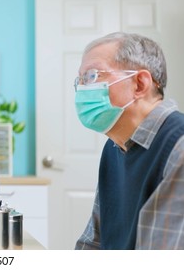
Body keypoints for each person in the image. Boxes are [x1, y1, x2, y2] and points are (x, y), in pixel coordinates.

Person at [74, 32, 184, 249]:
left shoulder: (178, 146)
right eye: (81, 80)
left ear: (140, 84)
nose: (82, 89)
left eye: (93, 76)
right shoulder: (115, 147)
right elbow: (92, 243)